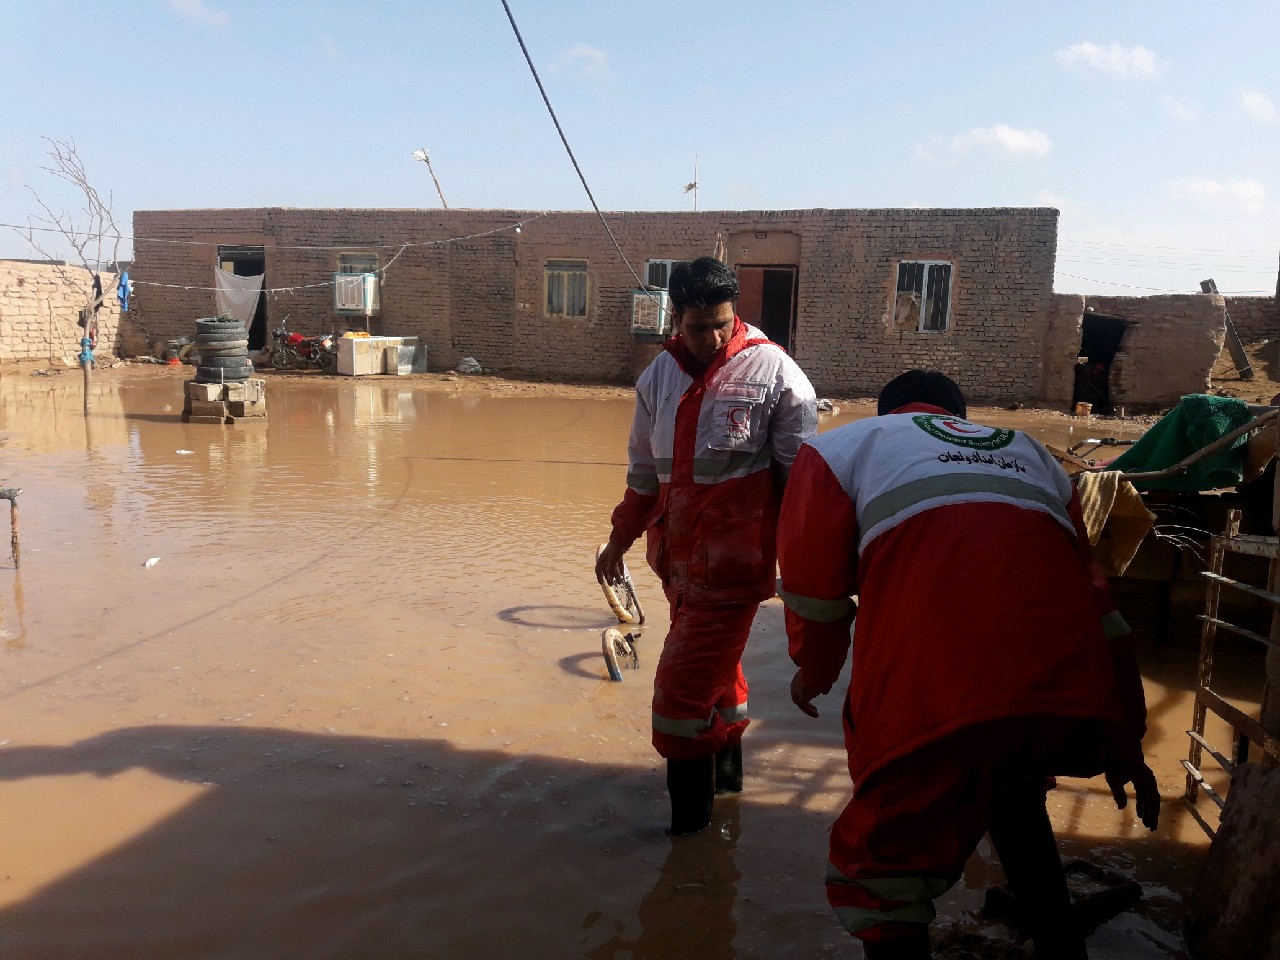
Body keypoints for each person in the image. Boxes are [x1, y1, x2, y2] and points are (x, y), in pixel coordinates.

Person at [775, 370, 1159, 959]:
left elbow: (813, 594)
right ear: (961, 415)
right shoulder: (1032, 454)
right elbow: (1099, 604)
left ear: (886, 414)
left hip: (934, 691)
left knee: (881, 874)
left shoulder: (838, 449)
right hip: (1061, 688)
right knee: (1016, 795)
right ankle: (1061, 947)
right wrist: (1126, 739)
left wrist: (816, 671)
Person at [596, 256, 817, 836]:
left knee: (677, 695)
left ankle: (688, 847)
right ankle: (727, 800)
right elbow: (644, 479)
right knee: (718, 680)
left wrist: (809, 576)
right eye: (699, 327)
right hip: (676, 567)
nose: (713, 338)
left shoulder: (777, 373)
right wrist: (618, 541)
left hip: (734, 572)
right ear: (676, 318)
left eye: (723, 323)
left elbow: (803, 487)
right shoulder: (658, 379)